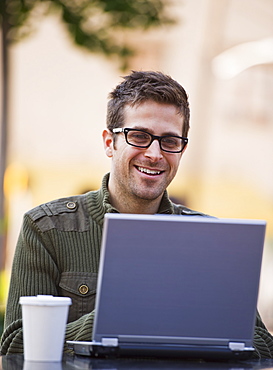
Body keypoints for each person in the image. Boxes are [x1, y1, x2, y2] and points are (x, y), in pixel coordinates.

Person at [1, 71, 273, 358]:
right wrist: (110, 320)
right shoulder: (47, 229)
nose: (155, 153)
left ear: (181, 149)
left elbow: (263, 345)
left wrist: (189, 320)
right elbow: (15, 345)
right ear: (110, 142)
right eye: (140, 136)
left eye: (169, 141)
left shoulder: (214, 241)